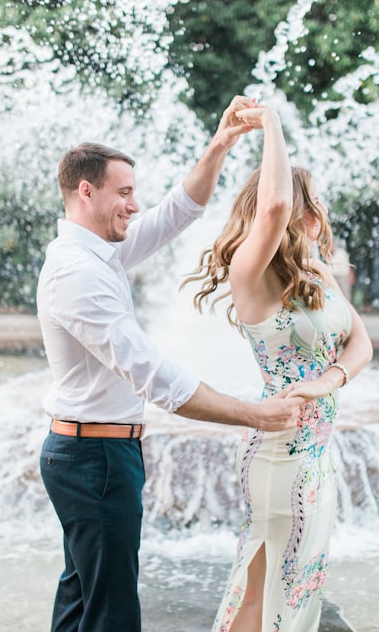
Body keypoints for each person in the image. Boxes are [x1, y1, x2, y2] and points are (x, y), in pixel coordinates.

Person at [35, 96, 305, 632]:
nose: (135, 206)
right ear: (85, 192)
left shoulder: (98, 253)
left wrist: (222, 142)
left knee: (83, 598)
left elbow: (179, 211)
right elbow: (156, 377)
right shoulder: (78, 274)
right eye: (125, 193)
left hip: (91, 451)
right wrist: (254, 413)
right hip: (97, 458)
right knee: (111, 610)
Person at [183, 105, 373, 631]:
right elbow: (273, 209)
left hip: (318, 454)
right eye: (312, 208)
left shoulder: (315, 272)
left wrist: (329, 380)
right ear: (300, 212)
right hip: (280, 455)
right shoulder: (251, 272)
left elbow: (361, 343)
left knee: (294, 583)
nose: (319, 219)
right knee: (263, 586)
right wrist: (271, 124)